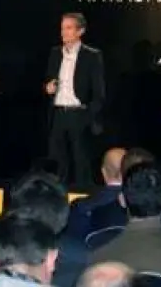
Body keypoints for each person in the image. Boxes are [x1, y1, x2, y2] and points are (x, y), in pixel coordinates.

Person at [45, 12, 105, 188]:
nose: (64, 32)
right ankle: (56, 196)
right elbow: (48, 80)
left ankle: (83, 196)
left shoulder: (92, 55)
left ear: (80, 31)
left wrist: (89, 114)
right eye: (62, 28)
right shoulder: (55, 53)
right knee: (57, 161)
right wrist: (48, 88)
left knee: (81, 161)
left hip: (79, 114)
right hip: (58, 114)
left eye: (69, 28)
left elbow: (99, 92)